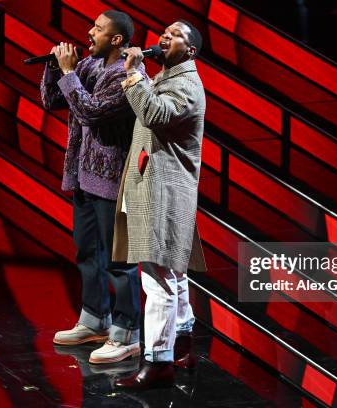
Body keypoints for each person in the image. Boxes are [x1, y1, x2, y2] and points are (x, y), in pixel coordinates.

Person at [40, 10, 146, 364]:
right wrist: (55, 68)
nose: (89, 33)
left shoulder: (128, 76)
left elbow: (91, 112)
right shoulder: (89, 66)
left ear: (117, 40)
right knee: (87, 252)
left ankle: (127, 332)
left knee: (120, 261)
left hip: (114, 182)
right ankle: (95, 320)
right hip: (84, 176)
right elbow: (53, 101)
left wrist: (69, 73)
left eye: (98, 29)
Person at [111, 20, 207, 389]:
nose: (163, 37)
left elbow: (153, 114)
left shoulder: (186, 85)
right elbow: (151, 105)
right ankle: (181, 344)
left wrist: (134, 74)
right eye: (163, 33)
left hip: (163, 192)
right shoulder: (169, 79)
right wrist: (142, 76)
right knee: (173, 272)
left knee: (157, 278)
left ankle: (158, 361)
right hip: (157, 189)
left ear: (191, 50)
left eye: (174, 35)